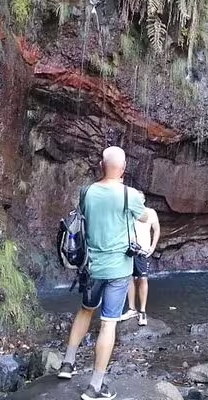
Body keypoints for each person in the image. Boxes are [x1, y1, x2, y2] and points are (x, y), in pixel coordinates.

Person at [57, 146, 148, 400]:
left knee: (85, 310)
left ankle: (67, 363)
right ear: (124, 168)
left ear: (100, 165)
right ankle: (95, 387)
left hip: (91, 266)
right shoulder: (131, 196)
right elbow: (143, 218)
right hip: (119, 269)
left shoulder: (87, 192)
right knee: (109, 323)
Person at [120, 193, 160, 326]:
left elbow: (156, 229)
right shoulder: (128, 212)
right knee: (129, 278)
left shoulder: (149, 212)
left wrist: (153, 247)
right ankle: (132, 308)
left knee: (143, 279)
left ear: (143, 200)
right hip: (129, 250)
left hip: (142, 251)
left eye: (139, 197)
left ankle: (142, 311)